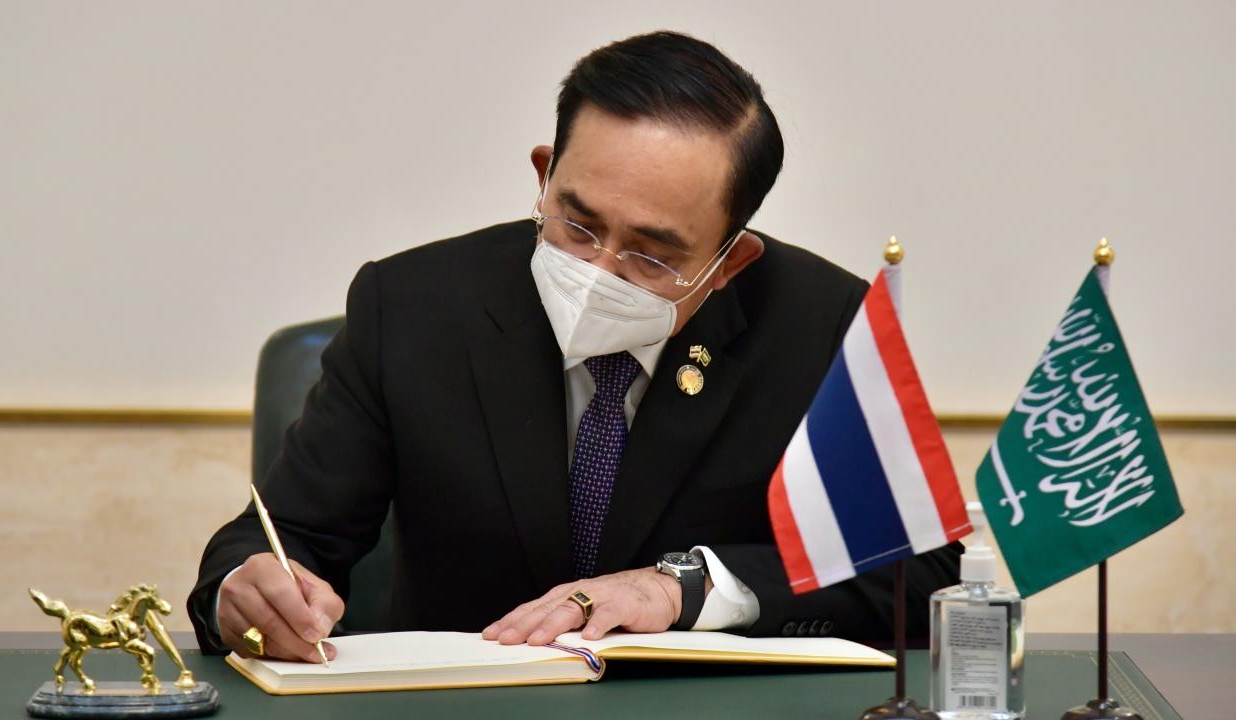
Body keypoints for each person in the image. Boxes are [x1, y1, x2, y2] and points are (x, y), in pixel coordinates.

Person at [189, 30, 960, 662]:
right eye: (578, 224)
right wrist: (246, 590)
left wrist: (684, 588)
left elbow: (920, 570)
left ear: (730, 263)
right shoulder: (413, 308)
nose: (598, 272)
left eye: (652, 255)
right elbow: (283, 536)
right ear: (545, 175)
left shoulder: (821, 325)